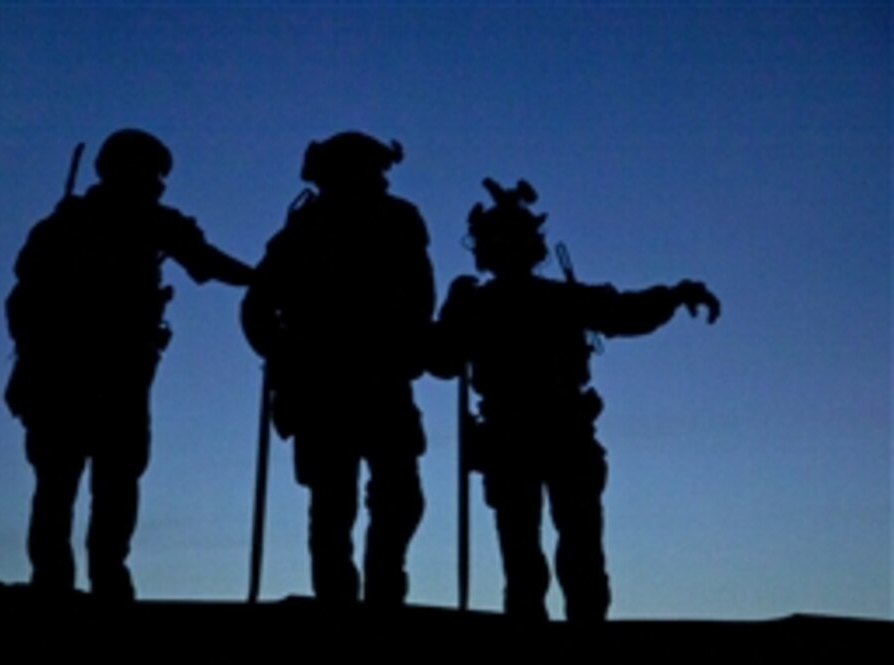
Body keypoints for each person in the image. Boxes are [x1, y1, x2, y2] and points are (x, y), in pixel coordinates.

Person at [429, 178, 720, 621]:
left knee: (549, 554)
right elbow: (444, 360)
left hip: (537, 439)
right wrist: (676, 294)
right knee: (547, 555)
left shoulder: (506, 303)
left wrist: (674, 295)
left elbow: (625, 313)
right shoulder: (524, 302)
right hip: (534, 439)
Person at [5, 128, 253, 600]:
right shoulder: (78, 226)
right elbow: (208, 263)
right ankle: (69, 584)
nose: (157, 183)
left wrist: (263, 281)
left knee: (101, 485)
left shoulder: (126, 222)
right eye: (151, 172)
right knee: (72, 485)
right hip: (73, 376)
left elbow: (205, 260)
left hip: (107, 376)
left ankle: (94, 582)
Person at [240, 131, 435, 605]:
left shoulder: (399, 219)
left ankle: (382, 588)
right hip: (322, 385)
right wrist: (284, 357)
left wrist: (411, 344)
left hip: (381, 378)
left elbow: (419, 292)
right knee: (333, 502)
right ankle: (338, 600)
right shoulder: (303, 229)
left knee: (398, 497)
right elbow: (258, 307)